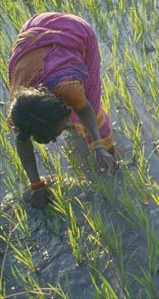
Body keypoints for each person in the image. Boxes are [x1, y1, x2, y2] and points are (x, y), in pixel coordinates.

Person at [6, 12, 118, 209]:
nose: (67, 127)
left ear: (58, 103)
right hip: (35, 43)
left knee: (91, 104)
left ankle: (107, 153)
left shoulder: (69, 88)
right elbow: (22, 142)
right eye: (61, 129)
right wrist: (36, 185)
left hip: (74, 32)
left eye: (64, 124)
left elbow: (85, 109)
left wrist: (98, 146)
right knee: (74, 117)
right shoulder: (20, 114)